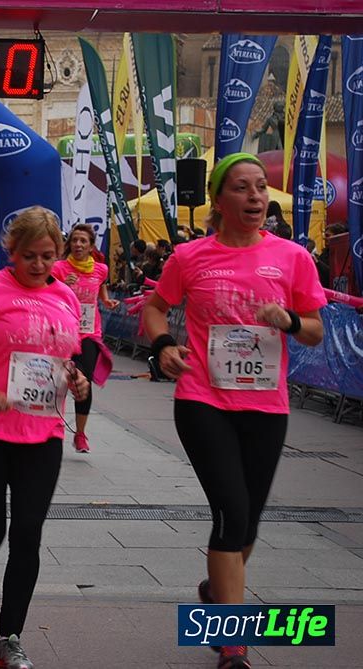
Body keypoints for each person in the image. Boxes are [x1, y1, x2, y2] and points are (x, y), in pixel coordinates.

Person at [141, 153, 325, 669]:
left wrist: (288, 320)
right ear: (218, 201)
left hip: (266, 405)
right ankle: (233, 642)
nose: (256, 197)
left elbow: (315, 329)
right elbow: (156, 306)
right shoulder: (190, 256)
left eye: (261, 188)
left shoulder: (292, 257)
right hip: (203, 399)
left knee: (247, 527)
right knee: (231, 513)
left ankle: (217, 588)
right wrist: (162, 346)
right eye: (242, 188)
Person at [0, 206, 89, 669]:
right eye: (30, 256)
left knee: (27, 534)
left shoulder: (66, 298)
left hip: (41, 434)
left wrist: (79, 381)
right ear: (12, 252)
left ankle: (10, 639)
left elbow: (71, 360)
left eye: (48, 256)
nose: (40, 265)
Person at [52, 224, 120, 453]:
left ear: (91, 246)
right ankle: (55, 422)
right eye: (75, 240)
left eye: (83, 241)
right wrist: (62, 286)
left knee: (84, 384)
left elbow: (101, 289)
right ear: (69, 244)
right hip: (64, 331)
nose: (78, 245)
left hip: (89, 332)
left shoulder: (100, 269)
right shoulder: (59, 268)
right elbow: (47, 292)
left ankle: (80, 434)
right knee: (60, 379)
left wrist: (107, 300)